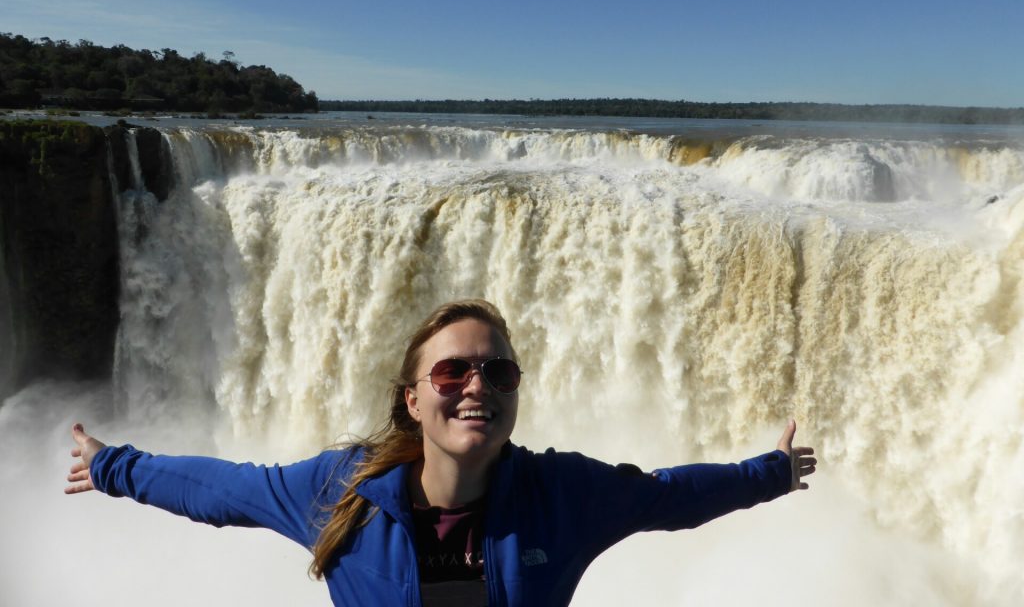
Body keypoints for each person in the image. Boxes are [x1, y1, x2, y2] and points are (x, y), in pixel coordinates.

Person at [66, 299, 816, 606]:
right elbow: (225, 490)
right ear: (413, 398)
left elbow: (671, 496)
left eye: (498, 371)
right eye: (452, 370)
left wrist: (771, 474)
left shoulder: (564, 494)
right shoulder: (344, 490)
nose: (475, 386)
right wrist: (113, 467)